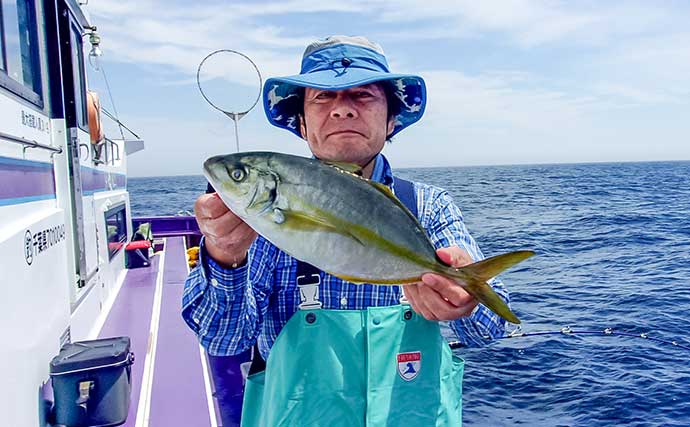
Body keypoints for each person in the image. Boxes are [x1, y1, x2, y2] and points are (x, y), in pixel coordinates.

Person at [182, 35, 514, 427]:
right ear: (301, 123)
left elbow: (492, 331)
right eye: (322, 98)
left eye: (363, 95)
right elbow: (224, 341)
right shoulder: (259, 220)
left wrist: (465, 300)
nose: (342, 110)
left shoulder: (429, 207)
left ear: (391, 119)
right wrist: (224, 255)